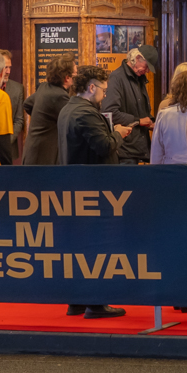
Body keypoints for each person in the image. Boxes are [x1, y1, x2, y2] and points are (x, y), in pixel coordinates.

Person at [57, 64, 133, 320]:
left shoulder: (68, 109)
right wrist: (118, 133)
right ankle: (97, 303)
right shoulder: (86, 113)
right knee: (97, 246)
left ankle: (77, 301)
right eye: (103, 90)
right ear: (91, 88)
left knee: (80, 248)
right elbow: (104, 146)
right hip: (94, 188)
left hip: (76, 187)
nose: (104, 94)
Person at [103, 44, 157, 164]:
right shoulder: (116, 78)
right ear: (137, 58)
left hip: (137, 150)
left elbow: (140, 111)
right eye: (146, 66)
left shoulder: (139, 79)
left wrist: (151, 122)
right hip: (125, 152)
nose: (147, 71)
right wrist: (138, 121)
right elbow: (109, 112)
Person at [21, 60, 76, 166]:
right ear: (67, 78)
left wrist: (42, 118)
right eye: (75, 74)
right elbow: (73, 123)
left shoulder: (45, 87)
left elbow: (27, 104)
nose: (77, 77)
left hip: (33, 152)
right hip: (43, 157)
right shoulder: (59, 96)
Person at [151, 63, 187, 165]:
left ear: (176, 88)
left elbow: (157, 152)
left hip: (170, 167)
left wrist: (154, 171)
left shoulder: (164, 115)